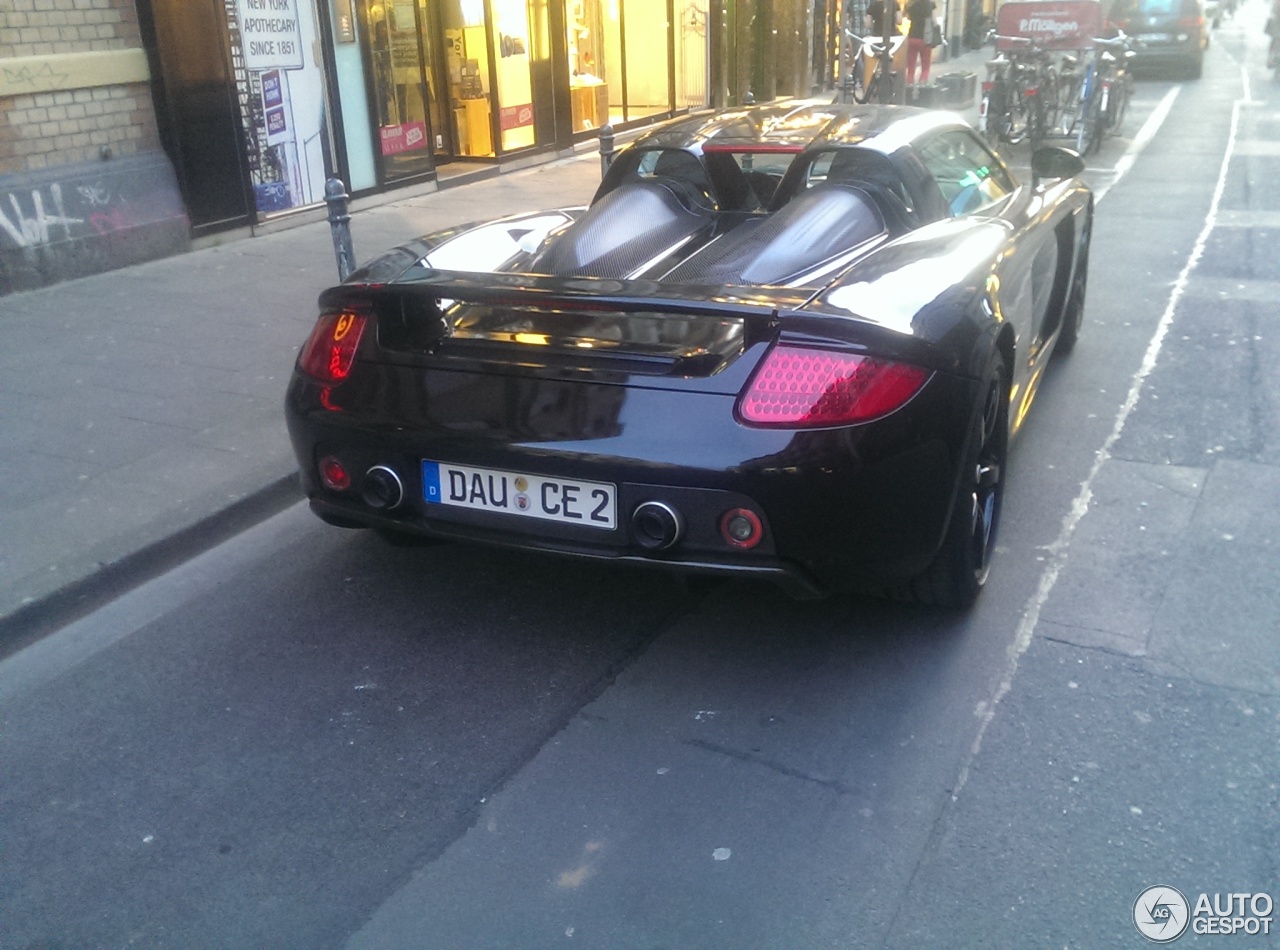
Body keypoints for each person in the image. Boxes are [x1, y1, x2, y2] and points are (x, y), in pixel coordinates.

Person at [905, 0, 937, 86]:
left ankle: (909, 83)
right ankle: (922, 83)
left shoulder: (910, 4)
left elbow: (908, 18)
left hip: (912, 37)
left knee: (911, 65)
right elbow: (934, 21)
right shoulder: (930, 4)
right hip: (925, 38)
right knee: (925, 65)